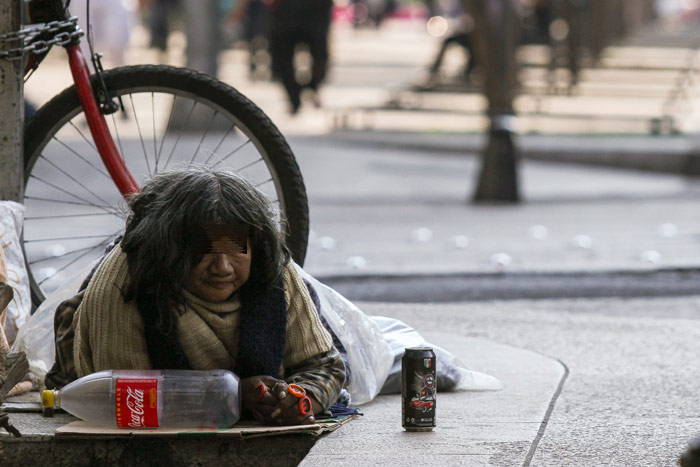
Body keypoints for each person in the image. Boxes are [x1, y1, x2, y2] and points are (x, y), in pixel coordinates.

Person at [46, 167, 346, 426]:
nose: (223, 267)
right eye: (204, 252)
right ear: (169, 251)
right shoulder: (124, 288)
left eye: (235, 249)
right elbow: (129, 401)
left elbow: (325, 365)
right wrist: (235, 397)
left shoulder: (271, 269)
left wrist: (298, 400)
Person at [267, 0, 334, 114]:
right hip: (286, 10)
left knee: (319, 54)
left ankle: (311, 88)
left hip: (315, 9)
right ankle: (295, 96)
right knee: (283, 55)